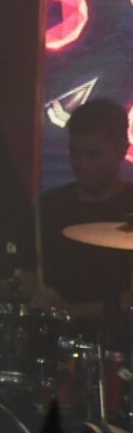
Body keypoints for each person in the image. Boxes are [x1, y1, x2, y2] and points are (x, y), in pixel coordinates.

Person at [36, 97, 133, 346]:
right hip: (53, 343)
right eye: (75, 154)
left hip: (118, 346)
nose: (82, 165)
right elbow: (29, 271)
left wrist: (73, 311)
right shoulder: (50, 206)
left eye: (94, 155)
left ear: (121, 151)